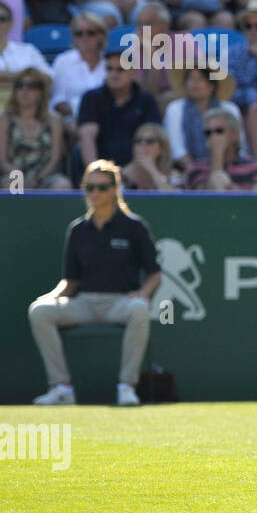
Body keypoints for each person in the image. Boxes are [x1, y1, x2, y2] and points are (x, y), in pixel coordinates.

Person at [27, 159, 158, 407]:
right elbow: (70, 280)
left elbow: (155, 273)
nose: (96, 193)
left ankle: (127, 386)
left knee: (140, 309)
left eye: (102, 187)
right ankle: (62, 388)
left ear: (115, 189)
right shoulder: (78, 230)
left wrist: (142, 293)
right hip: (83, 303)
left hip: (120, 302)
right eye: (90, 187)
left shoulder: (134, 227)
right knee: (39, 311)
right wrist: (52, 297)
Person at [0, 0, 51, 132]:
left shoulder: (27, 50)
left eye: (2, 19)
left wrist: (5, 76)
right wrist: (26, 80)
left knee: (54, 121)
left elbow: (48, 79)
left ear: (11, 23)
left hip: (29, 106)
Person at [77, 44, 161, 167]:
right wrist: (96, 171)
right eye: (109, 69)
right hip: (102, 172)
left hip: (138, 170)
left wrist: (130, 173)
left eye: (120, 69)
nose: (113, 74)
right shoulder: (91, 98)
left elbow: (153, 139)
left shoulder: (146, 100)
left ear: (134, 72)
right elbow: (87, 136)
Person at [0, 68, 69, 189]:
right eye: (19, 85)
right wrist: (21, 178)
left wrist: (38, 179)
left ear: (41, 92)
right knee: (10, 184)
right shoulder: (3, 119)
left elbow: (55, 159)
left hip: (45, 177)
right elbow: (1, 161)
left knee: (62, 185)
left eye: (31, 86)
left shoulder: (54, 120)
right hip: (13, 175)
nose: (24, 90)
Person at [163, 66, 243, 169]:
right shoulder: (175, 108)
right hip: (186, 170)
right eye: (191, 79)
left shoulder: (230, 109)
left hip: (229, 167)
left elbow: (239, 145)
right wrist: (196, 171)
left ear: (212, 85)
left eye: (201, 78)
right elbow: (176, 149)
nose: (195, 83)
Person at [186, 108, 257, 190]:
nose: (213, 136)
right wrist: (217, 154)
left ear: (235, 134)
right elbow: (204, 200)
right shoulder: (196, 167)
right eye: (208, 133)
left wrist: (236, 194)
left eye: (219, 131)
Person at [50, 12, 106, 129]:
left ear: (101, 35)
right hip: (71, 120)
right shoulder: (63, 61)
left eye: (90, 33)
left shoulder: (109, 64)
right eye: (79, 33)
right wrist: (76, 117)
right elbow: (58, 99)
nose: (84, 38)